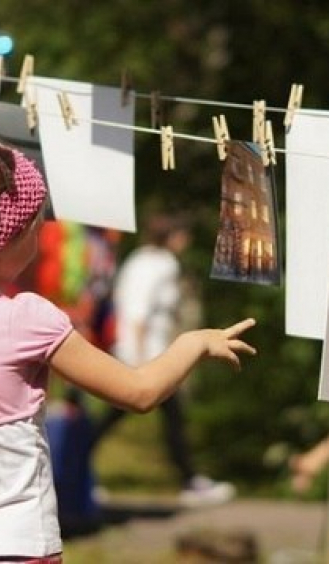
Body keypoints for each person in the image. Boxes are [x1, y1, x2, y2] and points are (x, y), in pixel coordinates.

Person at [0, 139, 256, 563]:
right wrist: (192, 344)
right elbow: (139, 391)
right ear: (10, 236)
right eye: (37, 226)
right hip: (19, 549)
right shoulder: (27, 318)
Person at [89, 212, 237, 507]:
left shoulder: (137, 259)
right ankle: (189, 480)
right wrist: (144, 362)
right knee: (167, 417)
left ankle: (77, 469)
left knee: (127, 416)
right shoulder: (163, 265)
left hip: (130, 348)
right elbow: (139, 313)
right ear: (174, 237)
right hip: (149, 353)